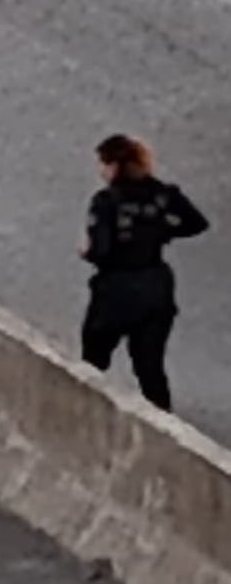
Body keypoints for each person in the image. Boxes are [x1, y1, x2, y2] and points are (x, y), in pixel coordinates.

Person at [81, 134, 208, 412]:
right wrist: (163, 232)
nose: (101, 171)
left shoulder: (106, 201)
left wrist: (87, 252)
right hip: (155, 287)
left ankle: (83, 415)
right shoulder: (163, 194)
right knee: (150, 367)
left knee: (93, 362)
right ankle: (166, 426)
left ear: (115, 165)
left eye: (103, 164)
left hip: (116, 291)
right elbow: (197, 223)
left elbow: (102, 251)